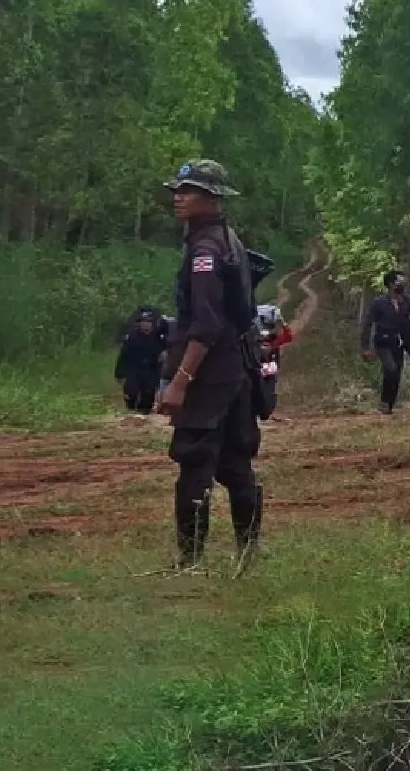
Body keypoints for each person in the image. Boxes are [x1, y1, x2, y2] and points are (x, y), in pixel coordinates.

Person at [154, 159, 263, 570]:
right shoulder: (226, 237)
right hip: (233, 370)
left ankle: (190, 562)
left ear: (213, 198)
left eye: (189, 191)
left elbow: (207, 324)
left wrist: (181, 380)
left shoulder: (205, 249)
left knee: (194, 460)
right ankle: (247, 554)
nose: (179, 197)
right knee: (235, 463)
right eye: (178, 190)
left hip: (210, 374)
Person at [360, 271, 410, 415]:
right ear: (391, 284)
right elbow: (368, 324)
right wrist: (365, 347)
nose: (402, 284)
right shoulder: (379, 303)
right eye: (400, 281)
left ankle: (389, 406)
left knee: (397, 372)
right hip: (383, 342)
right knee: (390, 368)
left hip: (399, 343)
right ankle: (385, 402)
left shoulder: (406, 301)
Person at [115, 306, 168, 414]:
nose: (146, 325)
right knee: (131, 391)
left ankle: (144, 414)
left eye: (149, 322)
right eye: (143, 322)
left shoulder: (159, 336)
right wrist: (119, 373)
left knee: (148, 395)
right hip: (134, 367)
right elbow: (124, 354)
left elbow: (168, 347)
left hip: (152, 368)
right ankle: (131, 411)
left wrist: (165, 354)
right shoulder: (132, 336)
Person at [255, 304, 295, 421]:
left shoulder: (274, 342)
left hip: (270, 373)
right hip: (258, 372)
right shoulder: (254, 343)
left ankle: (267, 411)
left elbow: (288, 336)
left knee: (270, 391)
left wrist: (282, 322)